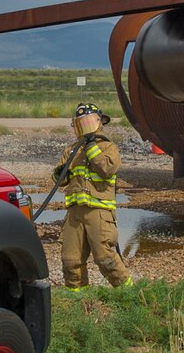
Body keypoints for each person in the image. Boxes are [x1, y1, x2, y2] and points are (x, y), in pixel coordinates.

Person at [54, 103, 131, 290]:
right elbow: (59, 180)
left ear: (99, 122)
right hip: (74, 214)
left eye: (88, 122)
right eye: (80, 123)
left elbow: (107, 169)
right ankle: (78, 300)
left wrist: (91, 147)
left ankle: (130, 295)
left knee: (106, 258)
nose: (85, 127)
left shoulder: (107, 146)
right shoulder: (71, 149)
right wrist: (59, 173)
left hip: (99, 212)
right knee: (71, 261)